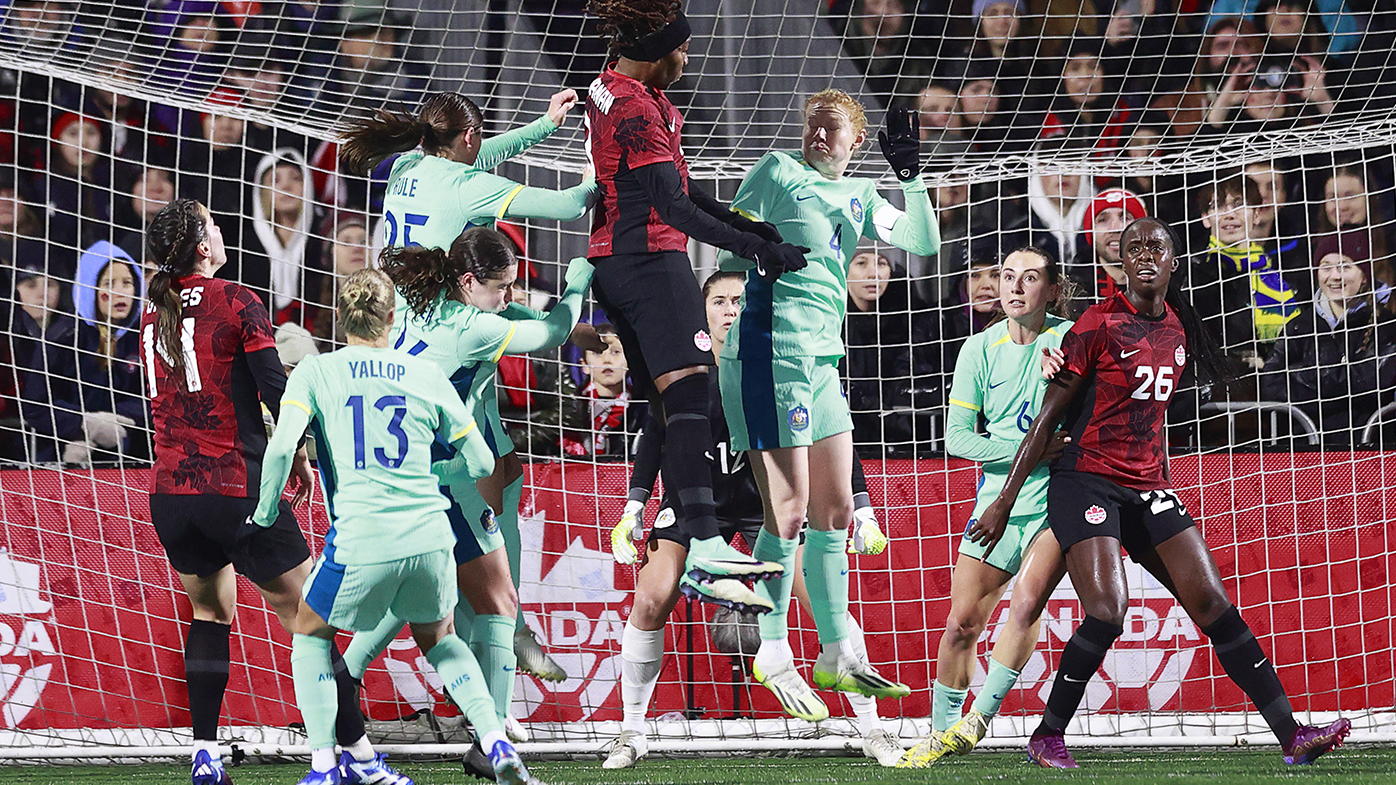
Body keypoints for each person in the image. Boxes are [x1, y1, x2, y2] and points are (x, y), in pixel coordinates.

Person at [969, 216, 1350, 769]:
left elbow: (1153, 415)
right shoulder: (1095, 325)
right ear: (1120, 262)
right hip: (1086, 481)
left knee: (1215, 606)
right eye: (1133, 247)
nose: (1145, 254)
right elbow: (1048, 420)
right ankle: (1047, 735)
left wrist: (1160, 476)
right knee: (1107, 611)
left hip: (1147, 484)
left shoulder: (1178, 325)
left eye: (1156, 246)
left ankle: (1292, 736)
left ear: (1173, 261)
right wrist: (1003, 502)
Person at [339, 88, 597, 681]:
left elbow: (474, 162)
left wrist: (542, 127)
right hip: (439, 367)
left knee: (505, 470)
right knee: (442, 567)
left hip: (409, 321)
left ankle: (504, 631)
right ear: (469, 138)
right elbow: (573, 204)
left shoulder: (409, 166)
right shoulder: (464, 192)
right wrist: (594, 154)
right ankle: (491, 647)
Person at [602, 271, 897, 769]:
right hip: (695, 501)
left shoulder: (781, 367)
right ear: (704, 311)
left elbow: (830, 431)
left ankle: (872, 729)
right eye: (719, 300)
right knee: (651, 599)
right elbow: (655, 433)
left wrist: (863, 509)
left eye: (741, 299)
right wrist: (634, 506)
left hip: (767, 502)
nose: (731, 309)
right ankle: (632, 731)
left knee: (825, 600)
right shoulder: (681, 368)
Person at [252, 267, 535, 785]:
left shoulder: (315, 372)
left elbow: (279, 449)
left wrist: (267, 513)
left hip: (362, 535)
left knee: (311, 635)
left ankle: (323, 766)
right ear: (390, 318)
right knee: (442, 640)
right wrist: (430, 472)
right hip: (431, 534)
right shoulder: (423, 373)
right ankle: (493, 737)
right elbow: (479, 461)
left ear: (341, 320)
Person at [138, 199, 378, 785]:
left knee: (209, 611)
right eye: (213, 224)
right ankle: (364, 759)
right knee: (312, 618)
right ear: (201, 246)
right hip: (236, 486)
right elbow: (279, 391)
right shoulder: (237, 299)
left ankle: (204, 753)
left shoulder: (152, 314)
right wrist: (300, 452)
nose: (221, 231)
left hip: (171, 495)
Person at [583, 0, 814, 607]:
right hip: (647, 261)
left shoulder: (616, 87)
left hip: (618, 261)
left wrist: (755, 232)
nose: (687, 58)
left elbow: (682, 190)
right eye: (681, 48)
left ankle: (703, 545)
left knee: (672, 401)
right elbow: (673, 208)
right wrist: (751, 250)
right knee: (689, 392)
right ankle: (705, 545)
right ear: (658, 50)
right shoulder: (635, 108)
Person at [716, 91, 938, 716]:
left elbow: (921, 241)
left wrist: (913, 180)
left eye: (830, 129)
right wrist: (758, 257)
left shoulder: (862, 196)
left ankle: (838, 650)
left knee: (836, 511)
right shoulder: (778, 171)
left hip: (822, 361)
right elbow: (725, 242)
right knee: (785, 513)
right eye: (811, 125)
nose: (816, 135)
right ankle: (773, 646)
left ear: (856, 142)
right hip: (769, 353)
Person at [338, 228, 596, 751]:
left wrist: (528, 316)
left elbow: (504, 320)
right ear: (470, 280)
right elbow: (549, 334)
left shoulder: (418, 302)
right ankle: (491, 736)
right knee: (499, 602)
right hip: (444, 479)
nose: (508, 297)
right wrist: (579, 280)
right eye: (502, 287)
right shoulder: (472, 327)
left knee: (419, 592)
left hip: (393, 471)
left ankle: (344, 674)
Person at [898, 247, 1073, 767]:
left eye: (1030, 278)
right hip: (997, 501)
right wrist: (1026, 451)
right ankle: (938, 734)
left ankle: (977, 721)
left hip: (1056, 500)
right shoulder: (977, 349)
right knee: (962, 624)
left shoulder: (1071, 338)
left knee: (1026, 604)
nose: (1015, 287)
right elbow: (956, 439)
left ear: (1053, 289)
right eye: (1007, 277)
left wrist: (1064, 367)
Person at [1260, 231, 1396, 446]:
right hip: (1304, 451)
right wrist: (1343, 379)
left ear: (1364, 275)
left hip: (1368, 450)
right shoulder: (1298, 326)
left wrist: (1305, 376)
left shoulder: (1386, 326)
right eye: (1326, 266)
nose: (1334, 276)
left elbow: (1374, 383)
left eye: (1345, 266)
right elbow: (1272, 385)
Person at [21, 241, 148, 465]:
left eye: (127, 283)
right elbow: (35, 405)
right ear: (90, 287)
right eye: (109, 284)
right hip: (64, 454)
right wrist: (84, 424)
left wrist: (117, 419)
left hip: (130, 453)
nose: (119, 293)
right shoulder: (63, 336)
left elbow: (156, 399)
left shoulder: (144, 337)